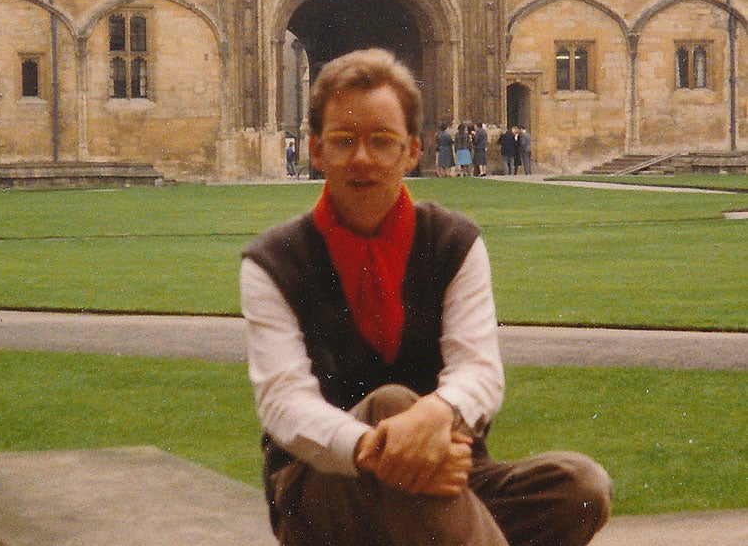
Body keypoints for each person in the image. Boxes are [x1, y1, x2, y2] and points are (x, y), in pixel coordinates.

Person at [241, 48, 612, 546]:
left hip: (445, 466)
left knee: (579, 486)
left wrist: (435, 417)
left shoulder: (453, 241)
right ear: (316, 150)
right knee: (391, 403)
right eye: (344, 140)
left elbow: (478, 369)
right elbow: (284, 402)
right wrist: (378, 446)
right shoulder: (274, 259)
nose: (362, 159)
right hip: (323, 488)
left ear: (412, 151)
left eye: (382, 141)